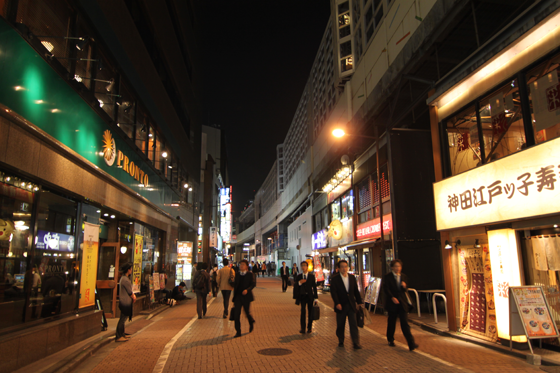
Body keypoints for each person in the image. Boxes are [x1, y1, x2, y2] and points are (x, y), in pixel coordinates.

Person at [383, 259, 418, 351]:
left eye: (399, 266)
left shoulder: (403, 276)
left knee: (405, 323)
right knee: (392, 322)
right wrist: (392, 297)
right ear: (392, 267)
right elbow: (386, 289)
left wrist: (404, 286)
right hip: (392, 303)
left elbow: (406, 290)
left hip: (402, 303)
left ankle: (411, 343)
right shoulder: (388, 277)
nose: (398, 268)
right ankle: (390, 339)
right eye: (396, 266)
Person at [330, 260, 363, 349]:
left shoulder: (352, 277)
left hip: (351, 304)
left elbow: (355, 290)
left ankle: (355, 342)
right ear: (339, 268)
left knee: (353, 324)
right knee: (341, 324)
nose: (344, 268)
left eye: (346, 266)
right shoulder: (335, 279)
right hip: (341, 305)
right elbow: (334, 292)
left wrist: (359, 302)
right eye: (342, 267)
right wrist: (337, 303)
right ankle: (341, 340)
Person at [232, 260, 256, 338]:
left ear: (246, 266)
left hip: (246, 297)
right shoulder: (237, 274)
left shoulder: (250, 274)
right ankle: (238, 331)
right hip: (238, 297)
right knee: (236, 315)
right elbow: (235, 285)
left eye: (243, 264)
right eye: (240, 264)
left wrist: (247, 290)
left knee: (247, 312)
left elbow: (253, 284)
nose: (241, 266)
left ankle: (251, 322)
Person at [294, 261, 318, 333]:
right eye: (302, 266)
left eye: (304, 265)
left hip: (310, 296)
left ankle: (309, 327)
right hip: (302, 296)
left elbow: (314, 287)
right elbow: (295, 286)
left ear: (307, 267)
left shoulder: (311, 276)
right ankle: (303, 328)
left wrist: (316, 297)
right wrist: (299, 282)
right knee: (303, 312)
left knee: (310, 312)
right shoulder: (299, 276)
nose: (303, 267)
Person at [117, 263, 136, 342]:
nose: (131, 270)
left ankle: (122, 334)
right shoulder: (125, 279)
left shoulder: (124, 278)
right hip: (125, 302)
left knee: (123, 318)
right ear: (128, 270)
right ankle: (118, 336)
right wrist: (133, 296)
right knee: (123, 319)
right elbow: (129, 291)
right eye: (131, 269)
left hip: (125, 301)